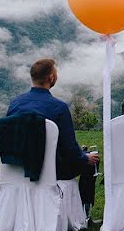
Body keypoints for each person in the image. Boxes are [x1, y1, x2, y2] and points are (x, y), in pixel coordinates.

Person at [6, 58, 99, 215]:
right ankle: (85, 213)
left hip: (18, 166)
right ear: (51, 77)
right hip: (52, 169)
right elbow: (69, 149)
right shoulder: (59, 107)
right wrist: (84, 157)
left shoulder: (15, 104)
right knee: (91, 161)